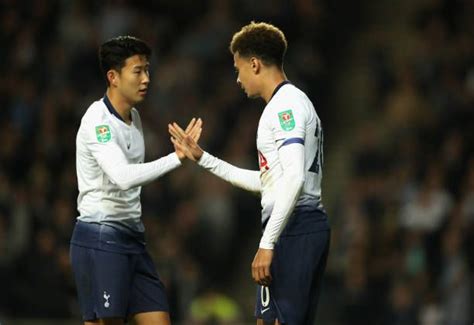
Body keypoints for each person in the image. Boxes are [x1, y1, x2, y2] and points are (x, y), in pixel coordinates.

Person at [169, 22, 330, 325]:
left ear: (254, 64)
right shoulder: (286, 105)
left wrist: (267, 243)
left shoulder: (287, 106)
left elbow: (294, 179)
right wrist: (203, 158)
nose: (238, 78)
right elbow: (269, 183)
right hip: (290, 223)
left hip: (295, 225)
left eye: (238, 67)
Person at [70, 35, 201, 325]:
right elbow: (123, 178)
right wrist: (176, 157)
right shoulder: (97, 121)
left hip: (133, 239)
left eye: (147, 70)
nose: (146, 79)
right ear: (113, 77)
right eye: (138, 71)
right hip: (101, 239)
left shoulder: (135, 118)